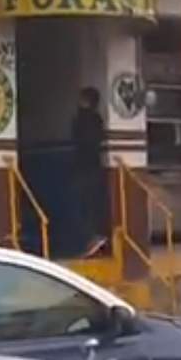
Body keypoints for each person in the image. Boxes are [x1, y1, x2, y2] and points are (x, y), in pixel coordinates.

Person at [71, 87, 108, 256]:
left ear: (85, 100)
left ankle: (91, 240)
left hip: (83, 167)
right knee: (94, 204)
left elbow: (78, 140)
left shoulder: (81, 119)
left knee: (83, 205)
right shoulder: (97, 119)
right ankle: (96, 238)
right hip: (94, 166)